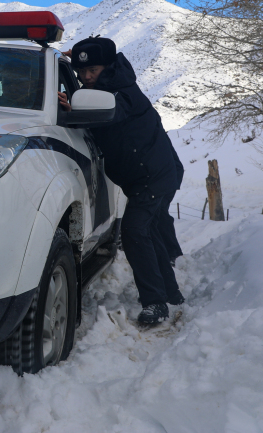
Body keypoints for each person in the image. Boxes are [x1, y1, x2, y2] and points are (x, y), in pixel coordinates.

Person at [57, 36, 185, 326]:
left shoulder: (121, 91)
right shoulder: (103, 86)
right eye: (82, 71)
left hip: (152, 176)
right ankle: (171, 293)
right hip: (147, 174)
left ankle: (155, 303)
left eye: (93, 70)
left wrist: (70, 112)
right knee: (148, 232)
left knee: (135, 231)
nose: (86, 76)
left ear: (109, 67)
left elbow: (109, 114)